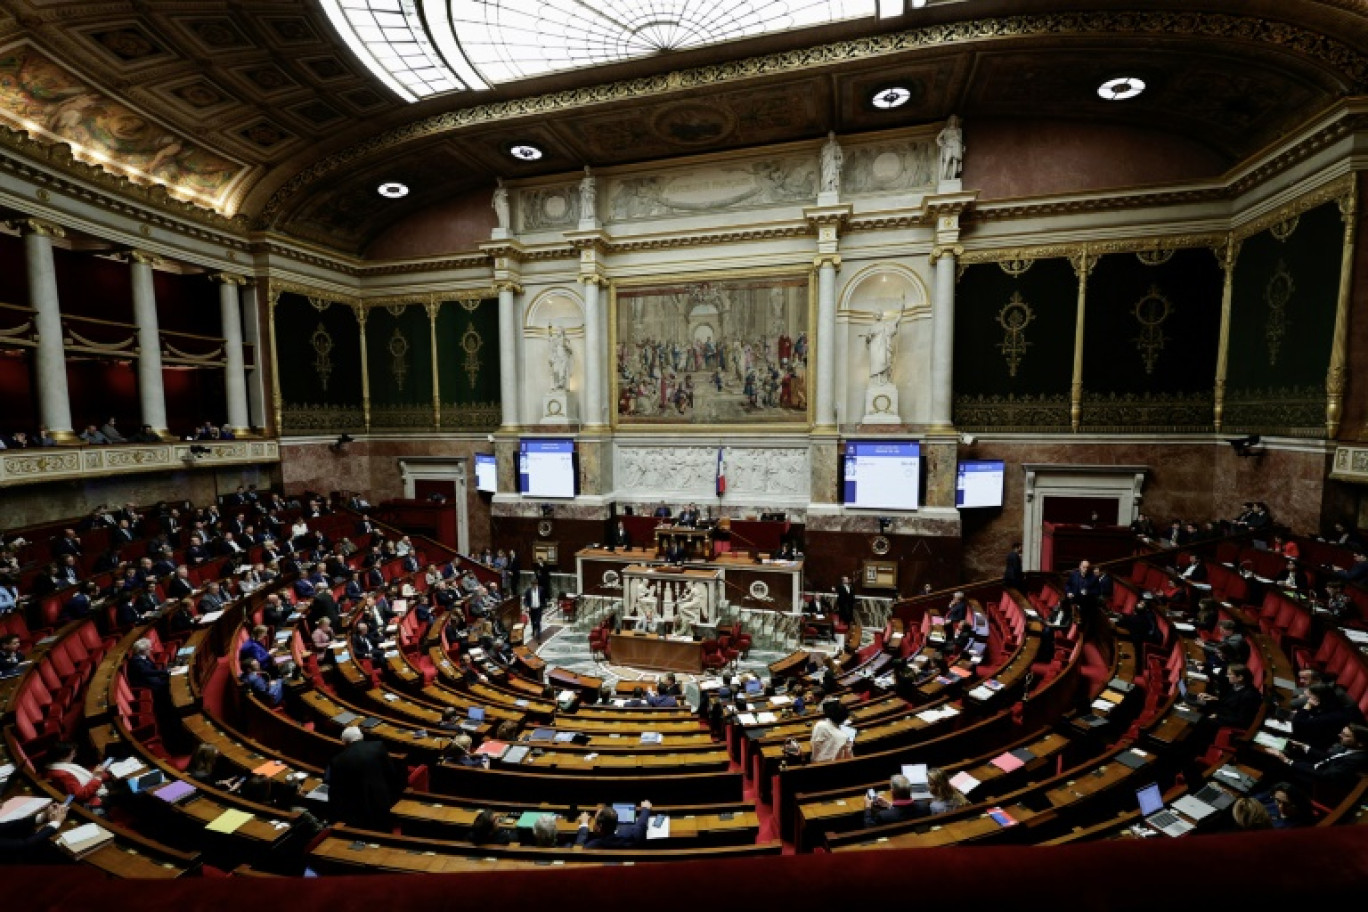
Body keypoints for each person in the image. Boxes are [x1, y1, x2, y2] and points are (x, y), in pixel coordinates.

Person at [326, 726, 405, 831]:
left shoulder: (337, 761)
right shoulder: (378, 746)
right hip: (381, 801)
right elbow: (391, 773)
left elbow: (336, 791)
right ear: (362, 737)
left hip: (356, 810)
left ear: (344, 742)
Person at [45, 741, 111, 808]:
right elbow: (81, 795)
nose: (74, 756)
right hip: (91, 801)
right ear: (62, 757)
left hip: (93, 788)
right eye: (72, 754)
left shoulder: (56, 766)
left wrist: (98, 774)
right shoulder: (63, 775)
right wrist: (97, 778)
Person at [1196, 663, 1262, 729]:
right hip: (1223, 713)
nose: (1227, 676)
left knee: (1197, 720)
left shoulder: (1250, 696)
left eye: (1230, 674)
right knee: (1198, 705)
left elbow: (1241, 720)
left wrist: (1217, 716)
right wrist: (1213, 698)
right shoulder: (1237, 685)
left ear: (1240, 678)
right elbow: (1230, 703)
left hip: (1228, 722)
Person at [575, 801, 652, 848]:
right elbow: (641, 825)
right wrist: (646, 809)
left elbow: (579, 847)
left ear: (599, 827)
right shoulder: (632, 836)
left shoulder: (595, 844)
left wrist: (584, 824)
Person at [863, 310, 899, 386]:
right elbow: (867, 340)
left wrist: (900, 314)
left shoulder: (885, 325)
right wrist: (868, 337)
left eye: (879, 314)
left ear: (881, 315)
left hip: (883, 346)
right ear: (874, 316)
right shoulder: (871, 327)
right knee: (876, 363)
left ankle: (884, 380)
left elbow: (894, 324)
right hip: (874, 348)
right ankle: (876, 380)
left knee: (883, 361)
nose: (878, 316)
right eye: (876, 314)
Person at [936, 114, 963, 181]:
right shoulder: (945, 130)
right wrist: (942, 144)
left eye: (954, 119)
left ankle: (953, 178)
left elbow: (961, 140)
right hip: (948, 146)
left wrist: (960, 142)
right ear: (949, 121)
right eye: (952, 119)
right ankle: (944, 177)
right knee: (947, 161)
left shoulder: (959, 130)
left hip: (956, 145)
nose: (953, 121)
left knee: (955, 161)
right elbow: (938, 138)